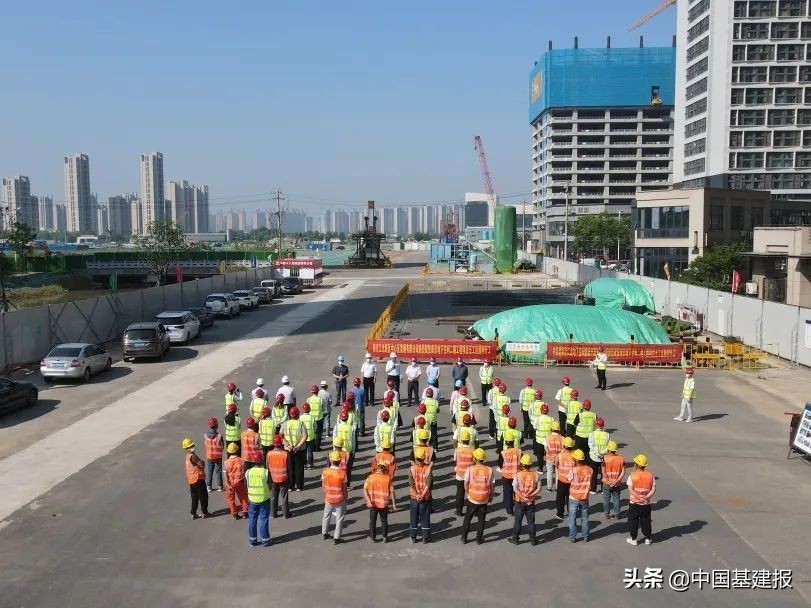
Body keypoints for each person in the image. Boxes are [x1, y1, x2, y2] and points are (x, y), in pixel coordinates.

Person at [461, 448, 495, 545]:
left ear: (475, 458)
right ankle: (478, 539)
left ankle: (464, 537)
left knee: (468, 518)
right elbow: (492, 486)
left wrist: (468, 493)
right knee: (481, 520)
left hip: (472, 498)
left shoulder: (470, 469)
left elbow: (465, 483)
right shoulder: (489, 470)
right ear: (483, 459)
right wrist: (491, 496)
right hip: (484, 499)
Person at [510, 454, 541, 546]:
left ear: (522, 464)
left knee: (518, 521)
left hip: (519, 501)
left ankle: (515, 539)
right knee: (531, 522)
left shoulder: (518, 475)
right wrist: (530, 495)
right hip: (530, 502)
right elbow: (539, 488)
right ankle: (532, 540)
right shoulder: (536, 475)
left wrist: (523, 497)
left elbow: (515, 489)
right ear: (530, 465)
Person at [627, 454, 656, 546]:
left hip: (634, 503)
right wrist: (646, 497)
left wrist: (638, 497)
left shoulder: (632, 475)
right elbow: (653, 489)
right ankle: (648, 538)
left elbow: (630, 489)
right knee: (646, 521)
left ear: (635, 464)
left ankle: (633, 539)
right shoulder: (650, 475)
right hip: (646, 504)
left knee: (633, 521)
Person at [365, 461, 396, 543]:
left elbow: (365, 489)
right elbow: (392, 492)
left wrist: (368, 500)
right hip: (383, 504)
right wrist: (393, 505)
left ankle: (372, 537)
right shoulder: (387, 478)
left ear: (377, 467)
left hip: (373, 503)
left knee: (372, 521)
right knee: (384, 520)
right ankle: (385, 537)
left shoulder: (370, 477)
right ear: (385, 469)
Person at [322, 451, 348, 544]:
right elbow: (344, 488)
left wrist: (325, 495)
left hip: (328, 497)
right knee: (339, 519)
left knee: (326, 515)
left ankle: (324, 533)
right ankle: (336, 538)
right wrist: (346, 498)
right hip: (339, 499)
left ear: (331, 460)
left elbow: (323, 485)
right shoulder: (342, 473)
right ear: (340, 460)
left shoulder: (325, 471)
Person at [567, 449, 593, 543]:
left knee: (572, 518)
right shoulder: (590, 469)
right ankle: (586, 536)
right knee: (585, 518)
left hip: (574, 497)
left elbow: (568, 479)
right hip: (585, 497)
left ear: (576, 460)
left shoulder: (573, 470)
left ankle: (573, 536)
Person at [409, 448, 433, 543]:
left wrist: (416, 495)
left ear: (416, 458)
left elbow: (411, 483)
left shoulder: (412, 469)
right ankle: (425, 537)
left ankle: (413, 536)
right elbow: (428, 484)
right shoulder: (428, 469)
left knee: (413, 517)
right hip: (425, 498)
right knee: (425, 517)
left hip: (414, 498)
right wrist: (422, 495)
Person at [182, 438, 210, 520]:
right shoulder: (193, 456)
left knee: (194, 497)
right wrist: (202, 462)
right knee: (203, 496)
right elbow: (202, 465)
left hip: (192, 480)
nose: (192, 446)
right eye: (191, 446)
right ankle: (205, 512)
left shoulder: (187, 456)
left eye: (192, 445)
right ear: (186, 448)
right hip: (198, 479)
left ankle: (193, 513)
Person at [246, 461, 272, 547]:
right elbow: (270, 485)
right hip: (264, 499)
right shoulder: (266, 472)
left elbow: (245, 484)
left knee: (252, 519)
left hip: (252, 500)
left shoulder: (248, 472)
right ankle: (265, 541)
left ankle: (252, 540)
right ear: (261, 461)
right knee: (263, 519)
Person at [282, 406, 307, 491]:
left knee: (289, 468)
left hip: (288, 449)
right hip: (299, 449)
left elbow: (281, 436)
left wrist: (288, 446)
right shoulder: (301, 424)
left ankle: (290, 486)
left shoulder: (285, 424)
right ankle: (299, 486)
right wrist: (297, 446)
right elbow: (305, 436)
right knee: (299, 467)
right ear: (298, 415)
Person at [266, 435, 291, 519]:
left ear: (273, 444)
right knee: (284, 496)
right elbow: (289, 468)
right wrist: (290, 478)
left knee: (273, 497)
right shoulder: (285, 454)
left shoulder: (269, 454)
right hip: (283, 478)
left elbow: (267, 467)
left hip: (273, 478)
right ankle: (285, 514)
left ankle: (273, 514)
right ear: (281, 444)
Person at [223, 442, 248, 520]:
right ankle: (245, 512)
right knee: (243, 497)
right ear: (237, 450)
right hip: (240, 482)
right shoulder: (242, 460)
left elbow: (225, 474)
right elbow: (245, 472)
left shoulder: (226, 462)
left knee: (231, 499)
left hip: (230, 483)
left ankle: (234, 514)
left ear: (229, 452)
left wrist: (227, 483)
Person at [453, 429, 476, 516]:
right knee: (471, 493)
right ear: (469, 440)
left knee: (460, 493)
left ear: (461, 440)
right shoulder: (473, 451)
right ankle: (473, 511)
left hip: (460, 474)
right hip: (470, 475)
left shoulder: (457, 450)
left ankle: (459, 511)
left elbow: (455, 460)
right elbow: (474, 462)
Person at [601, 441, 625, 519]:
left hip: (607, 483)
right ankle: (617, 514)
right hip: (617, 483)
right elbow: (623, 471)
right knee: (616, 499)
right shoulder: (621, 459)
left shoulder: (604, 458)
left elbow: (603, 471)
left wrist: (609, 481)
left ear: (608, 450)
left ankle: (606, 514)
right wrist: (617, 480)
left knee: (606, 499)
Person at [500, 431, 522, 516]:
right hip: (516, 475)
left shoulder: (503, 452)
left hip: (506, 476)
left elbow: (500, 463)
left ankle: (509, 510)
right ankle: (518, 508)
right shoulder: (519, 451)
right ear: (513, 442)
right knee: (516, 492)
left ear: (505, 442)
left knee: (508, 492)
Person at [332, 410, 356, 485]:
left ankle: (337, 482)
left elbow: (334, 438)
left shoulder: (337, 426)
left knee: (338, 467)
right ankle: (347, 485)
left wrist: (334, 449)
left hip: (338, 450)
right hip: (348, 451)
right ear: (348, 418)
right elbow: (353, 440)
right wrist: (353, 450)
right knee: (348, 469)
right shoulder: (351, 428)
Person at [587, 417, 610, 493]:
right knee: (604, 473)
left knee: (594, 473)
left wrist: (597, 454)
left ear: (595, 425)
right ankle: (603, 489)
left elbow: (591, 446)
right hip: (604, 457)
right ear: (603, 426)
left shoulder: (592, 434)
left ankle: (593, 489)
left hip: (594, 457)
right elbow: (608, 446)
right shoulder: (607, 435)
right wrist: (602, 453)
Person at [555, 437, 576, 520]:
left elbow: (556, 465)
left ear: (564, 446)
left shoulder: (560, 455)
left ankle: (560, 513)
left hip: (562, 480)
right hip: (571, 480)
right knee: (570, 497)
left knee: (560, 497)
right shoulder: (574, 456)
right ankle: (570, 512)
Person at [531, 399, 553, 470]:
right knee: (549, 454)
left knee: (540, 455)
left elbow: (534, 427)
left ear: (541, 411)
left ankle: (540, 468)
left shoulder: (538, 419)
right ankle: (551, 468)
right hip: (548, 440)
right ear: (548, 411)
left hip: (540, 440)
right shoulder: (551, 419)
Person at [203, 417, 224, 492]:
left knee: (209, 471)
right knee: (218, 471)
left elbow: (205, 444)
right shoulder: (219, 436)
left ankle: (209, 486)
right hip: (218, 456)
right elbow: (222, 446)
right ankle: (220, 486)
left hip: (209, 456)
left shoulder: (205, 435)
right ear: (216, 426)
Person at [545, 421, 563, 492]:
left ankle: (549, 487)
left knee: (549, 472)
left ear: (551, 429)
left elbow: (546, 448)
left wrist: (550, 454)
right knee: (558, 473)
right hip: (558, 459)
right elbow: (563, 449)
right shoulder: (562, 438)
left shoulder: (547, 437)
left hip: (549, 458)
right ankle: (557, 487)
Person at [306, 385, 324, 453]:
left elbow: (307, 408)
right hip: (319, 418)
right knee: (318, 434)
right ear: (317, 391)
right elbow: (323, 408)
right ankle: (317, 448)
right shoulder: (320, 399)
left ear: (312, 392)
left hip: (311, 418)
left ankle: (312, 447)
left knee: (312, 433)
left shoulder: (309, 399)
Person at [300, 403, 317, 469]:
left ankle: (304, 464)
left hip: (302, 437)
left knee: (303, 451)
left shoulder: (300, 417)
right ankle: (310, 464)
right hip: (310, 436)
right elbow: (315, 427)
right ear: (309, 409)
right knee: (310, 451)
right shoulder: (312, 417)